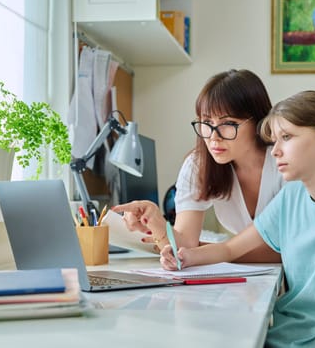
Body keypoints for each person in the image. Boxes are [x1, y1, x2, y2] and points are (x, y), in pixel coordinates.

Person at [158, 90, 315, 347]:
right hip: (288, 332)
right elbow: (230, 248)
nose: (275, 151)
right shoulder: (291, 196)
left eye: (286, 137)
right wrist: (186, 257)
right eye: (275, 139)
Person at [112, 69, 284, 262]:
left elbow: (288, 252)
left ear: (259, 122)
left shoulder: (284, 163)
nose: (213, 136)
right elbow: (186, 243)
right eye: (207, 121)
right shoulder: (198, 165)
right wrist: (157, 223)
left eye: (228, 123)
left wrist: (208, 251)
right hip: (261, 277)